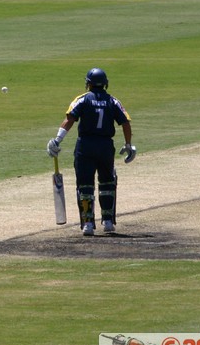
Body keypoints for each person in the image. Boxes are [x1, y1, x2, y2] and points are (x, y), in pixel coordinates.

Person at [46, 68, 136, 236]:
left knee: (85, 184)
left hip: (85, 146)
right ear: (106, 84)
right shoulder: (113, 101)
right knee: (107, 183)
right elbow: (125, 122)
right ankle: (108, 222)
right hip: (105, 147)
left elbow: (69, 119)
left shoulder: (82, 99)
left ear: (88, 83)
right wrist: (128, 144)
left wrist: (57, 140)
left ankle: (88, 224)